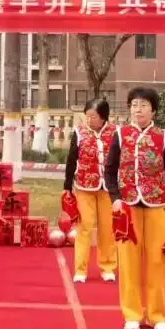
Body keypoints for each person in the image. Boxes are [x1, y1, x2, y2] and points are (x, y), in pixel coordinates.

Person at [104, 87, 165, 329]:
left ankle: (156, 315)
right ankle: (132, 314)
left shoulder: (163, 138)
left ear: (153, 111)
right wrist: (115, 198)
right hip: (127, 207)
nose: (137, 109)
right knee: (128, 261)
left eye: (143, 105)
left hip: (157, 204)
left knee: (157, 260)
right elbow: (110, 170)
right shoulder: (120, 135)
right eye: (134, 105)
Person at [63, 98, 118, 283]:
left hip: (108, 188)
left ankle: (107, 266)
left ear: (103, 117)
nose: (89, 119)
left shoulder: (115, 133)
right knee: (84, 227)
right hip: (84, 187)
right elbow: (71, 160)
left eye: (93, 116)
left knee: (107, 228)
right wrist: (67, 186)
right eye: (87, 116)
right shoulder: (79, 133)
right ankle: (80, 269)